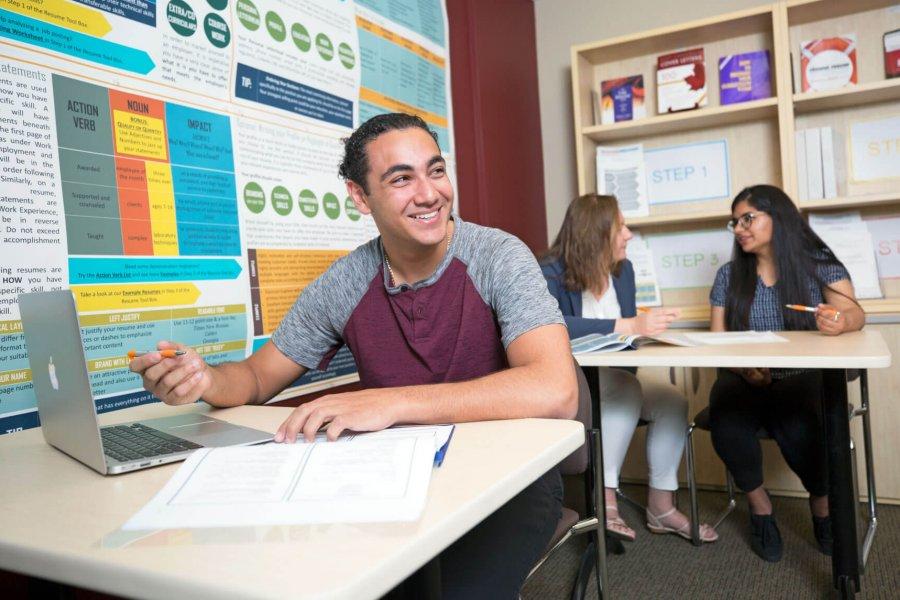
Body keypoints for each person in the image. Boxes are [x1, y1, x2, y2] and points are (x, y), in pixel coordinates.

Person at [129, 113, 578, 599]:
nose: (429, 194)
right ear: (360, 197)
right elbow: (257, 378)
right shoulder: (345, 282)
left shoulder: (498, 255)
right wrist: (202, 380)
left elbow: (555, 390)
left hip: (508, 477)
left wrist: (392, 403)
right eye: (401, 179)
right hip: (393, 476)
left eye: (436, 170)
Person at [541, 194, 717, 543]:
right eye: (621, 226)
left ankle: (661, 507)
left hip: (616, 380)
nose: (629, 234)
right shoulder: (548, 272)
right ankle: (604, 503)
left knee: (672, 401)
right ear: (597, 232)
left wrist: (647, 330)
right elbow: (551, 324)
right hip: (571, 388)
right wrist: (629, 326)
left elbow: (630, 333)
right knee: (625, 389)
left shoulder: (623, 271)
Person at [708, 184, 865, 563]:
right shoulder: (729, 275)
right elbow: (717, 339)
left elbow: (857, 315)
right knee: (725, 416)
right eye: (735, 222)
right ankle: (760, 508)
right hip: (746, 374)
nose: (740, 227)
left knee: (801, 420)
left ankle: (823, 507)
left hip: (802, 375)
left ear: (777, 217)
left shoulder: (819, 264)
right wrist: (744, 368)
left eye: (748, 218)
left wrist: (839, 321)